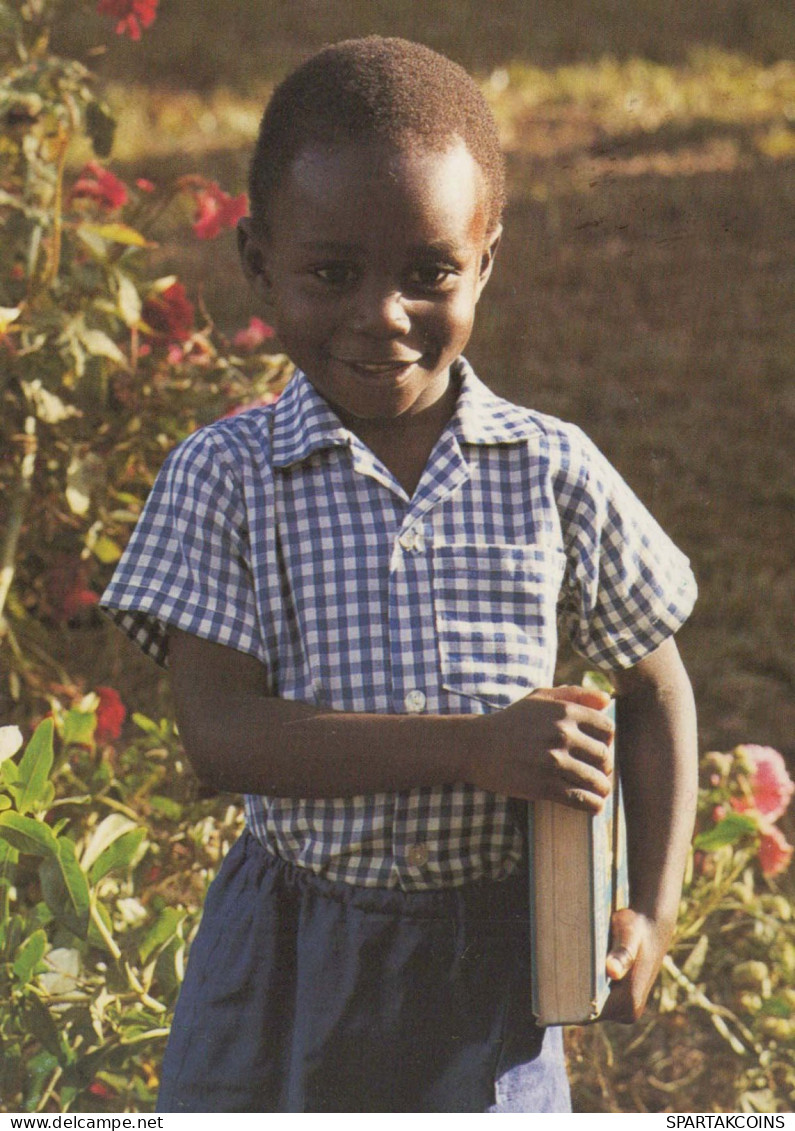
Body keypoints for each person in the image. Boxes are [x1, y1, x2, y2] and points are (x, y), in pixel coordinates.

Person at [101, 36, 698, 1113]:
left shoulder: (552, 469)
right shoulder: (227, 478)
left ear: (485, 265)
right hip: (289, 956)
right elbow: (220, 732)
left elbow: (656, 692)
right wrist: (474, 749)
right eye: (333, 273)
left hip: (494, 970)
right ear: (257, 263)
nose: (382, 315)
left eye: (428, 273)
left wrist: (648, 908)